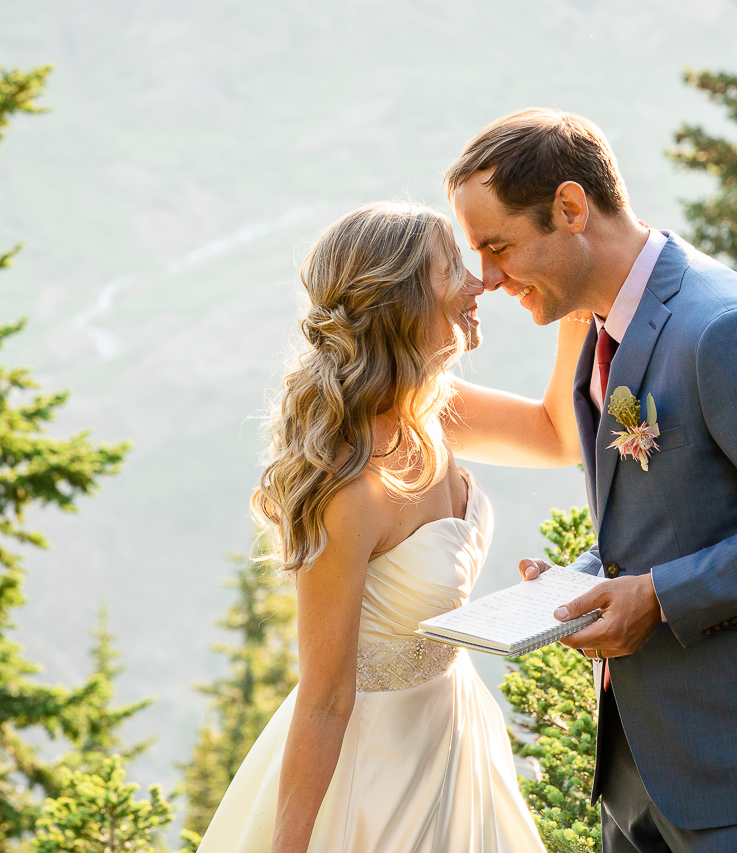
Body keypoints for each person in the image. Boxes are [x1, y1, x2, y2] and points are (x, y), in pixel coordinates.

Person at [446, 109, 737, 853]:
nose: (487, 278)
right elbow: (675, 510)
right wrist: (583, 581)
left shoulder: (723, 328)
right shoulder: (599, 327)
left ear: (569, 207)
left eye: (498, 246)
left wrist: (656, 596)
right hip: (640, 768)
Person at [195, 201, 590, 853]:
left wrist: (577, 296)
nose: (480, 283)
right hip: (373, 772)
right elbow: (323, 700)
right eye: (452, 269)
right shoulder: (348, 488)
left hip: (457, 730)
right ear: (403, 300)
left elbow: (556, 436)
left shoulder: (435, 409)